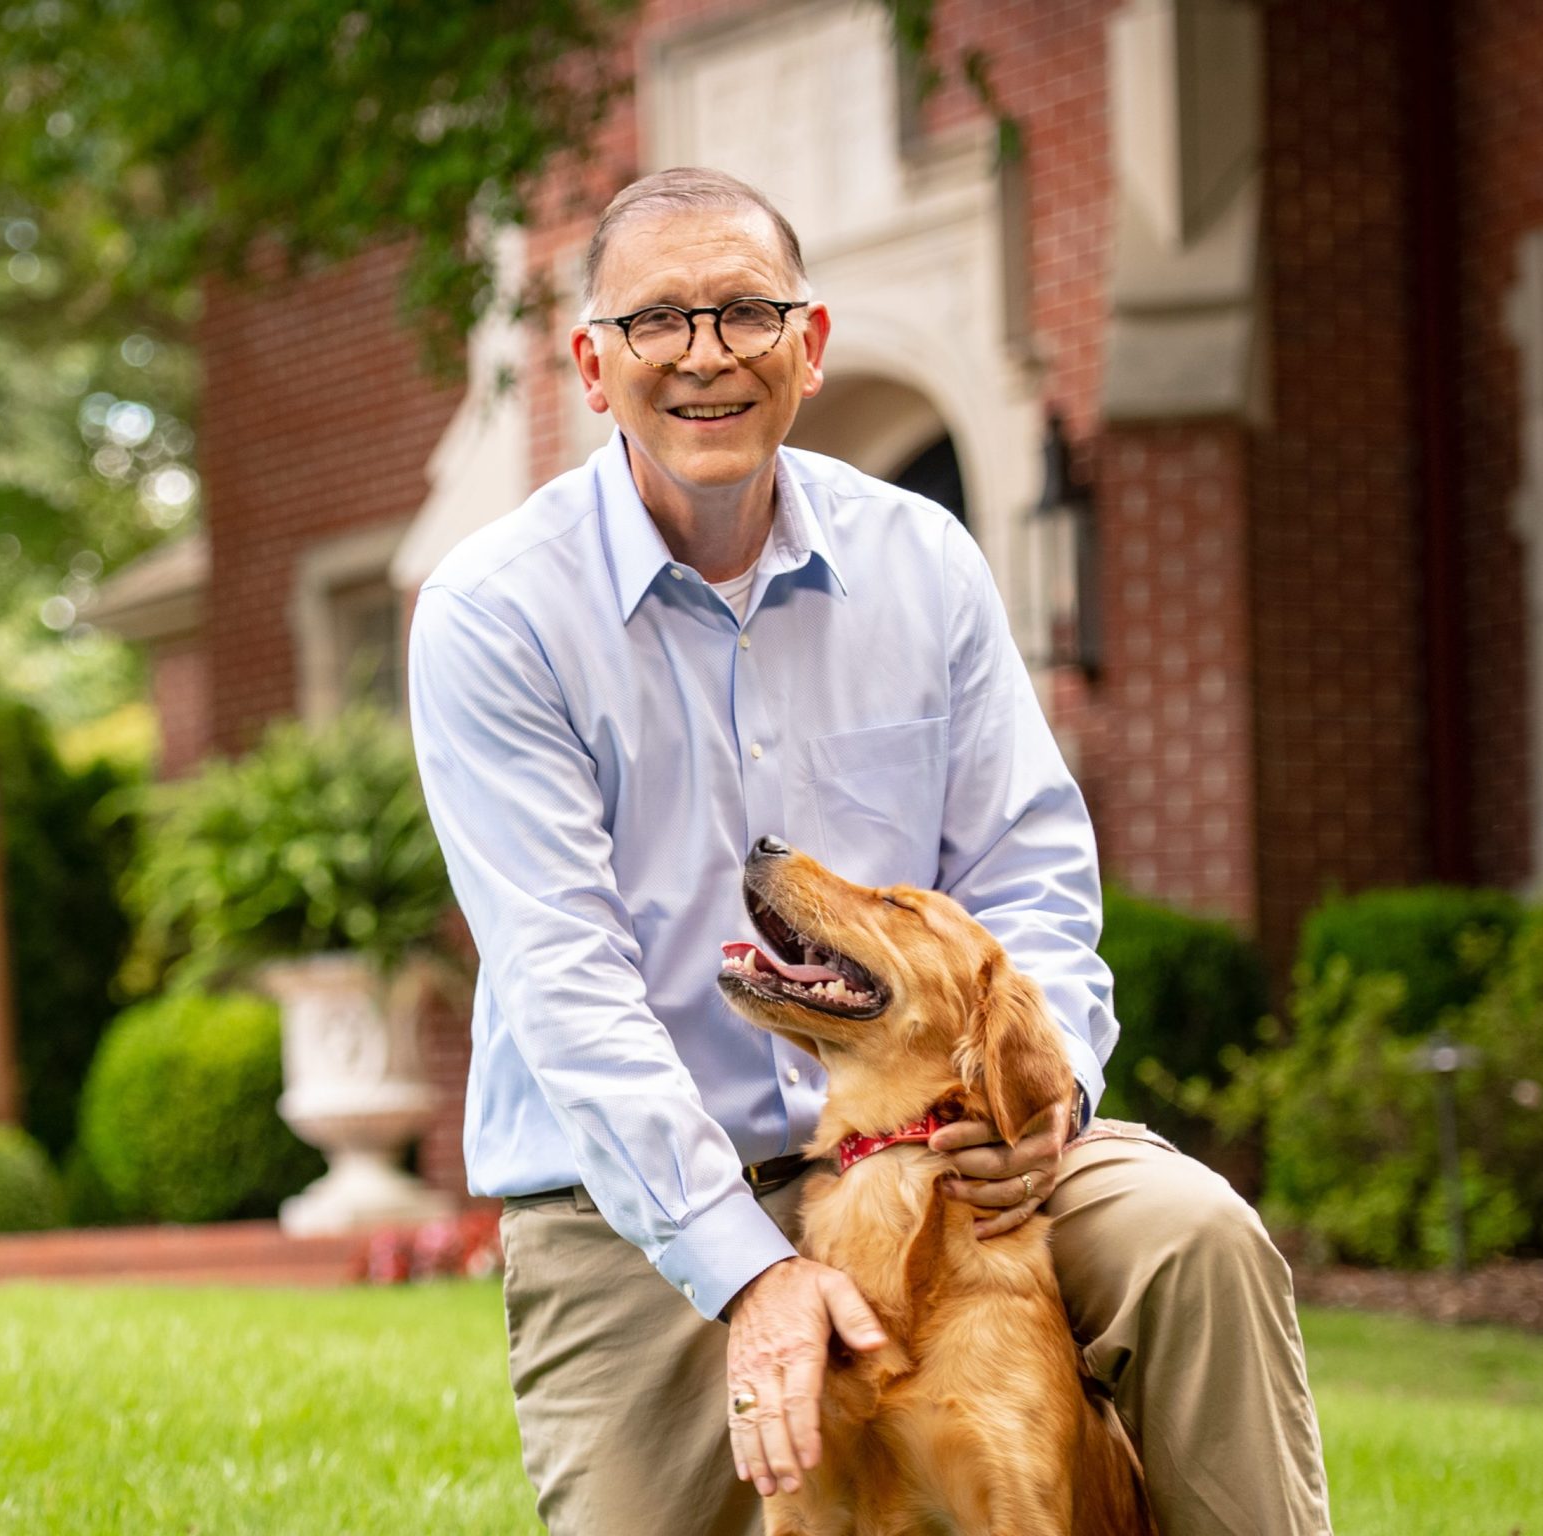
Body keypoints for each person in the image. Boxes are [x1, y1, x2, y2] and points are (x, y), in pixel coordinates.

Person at [407, 167, 1331, 1536]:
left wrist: (1049, 1091)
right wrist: (747, 1269)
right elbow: (566, 989)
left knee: (1193, 1239)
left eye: (747, 312)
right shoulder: (496, 615)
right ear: (594, 367)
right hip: (644, 1205)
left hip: (943, 1154)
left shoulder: (923, 561)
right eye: (660, 321)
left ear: (811, 344)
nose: (707, 353)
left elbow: (1028, 868)